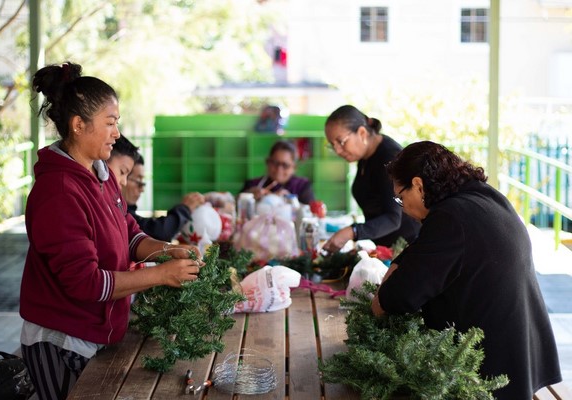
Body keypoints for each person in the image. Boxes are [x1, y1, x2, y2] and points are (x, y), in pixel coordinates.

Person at [19, 62, 203, 400]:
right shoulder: (59, 191)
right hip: (61, 342)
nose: (117, 133)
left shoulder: (99, 175)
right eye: (110, 123)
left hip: (96, 334)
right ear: (78, 125)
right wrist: (162, 274)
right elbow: (86, 282)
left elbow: (129, 234)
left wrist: (167, 250)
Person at [371, 141, 561, 399]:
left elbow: (395, 298)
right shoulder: (482, 196)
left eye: (400, 197)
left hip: (489, 373)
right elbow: (423, 251)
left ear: (418, 185)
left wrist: (381, 298)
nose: (402, 207)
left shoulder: (450, 218)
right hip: (523, 353)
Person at [322, 105, 420, 251]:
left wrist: (353, 232)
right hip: (383, 248)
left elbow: (393, 219)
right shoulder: (365, 155)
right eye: (332, 145)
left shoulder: (389, 158)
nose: (337, 150)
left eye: (341, 142)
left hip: (406, 249)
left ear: (362, 133)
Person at [122, 154, 205, 241]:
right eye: (138, 181)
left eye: (142, 182)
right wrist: (184, 209)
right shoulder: (118, 215)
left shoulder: (125, 213)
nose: (142, 189)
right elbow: (158, 233)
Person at [240, 139, 314, 204]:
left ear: (294, 167)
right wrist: (248, 196)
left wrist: (290, 200)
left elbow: (311, 214)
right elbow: (234, 205)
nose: (279, 169)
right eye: (275, 163)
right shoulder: (253, 184)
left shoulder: (302, 186)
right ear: (268, 162)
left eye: (285, 165)